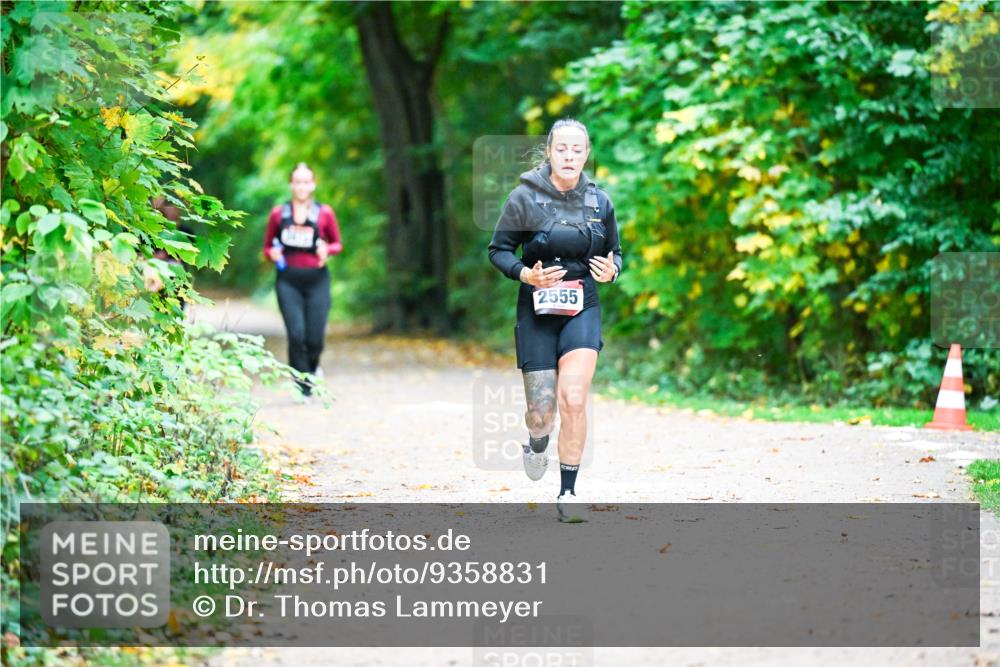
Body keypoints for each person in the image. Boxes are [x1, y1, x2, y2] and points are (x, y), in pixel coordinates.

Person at [487, 119, 622, 522]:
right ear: (549, 151)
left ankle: (568, 492)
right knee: (543, 413)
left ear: (586, 154)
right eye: (561, 148)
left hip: (583, 303)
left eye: (577, 150)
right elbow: (499, 250)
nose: (569, 156)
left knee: (574, 399)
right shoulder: (523, 198)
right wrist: (525, 274)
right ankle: (537, 440)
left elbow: (616, 252)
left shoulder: (600, 202)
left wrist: (612, 269)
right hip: (537, 307)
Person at [263, 162, 343, 397]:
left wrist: (327, 249)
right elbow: (267, 247)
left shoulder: (324, 213)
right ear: (291, 184)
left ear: (313, 184)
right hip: (288, 281)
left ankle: (313, 365)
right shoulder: (279, 214)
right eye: (297, 181)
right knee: (296, 334)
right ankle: (302, 387)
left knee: (314, 338)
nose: (301, 186)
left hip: (317, 280)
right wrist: (272, 253)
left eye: (306, 182)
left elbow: (338, 243)